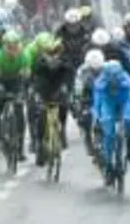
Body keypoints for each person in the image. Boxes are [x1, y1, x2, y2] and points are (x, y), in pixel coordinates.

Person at [24, 33, 74, 166]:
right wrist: (35, 93)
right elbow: (34, 80)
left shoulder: (65, 62)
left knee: (64, 104)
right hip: (44, 90)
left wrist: (66, 88)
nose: (52, 56)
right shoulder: (40, 63)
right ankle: (39, 144)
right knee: (40, 113)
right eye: (49, 53)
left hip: (58, 89)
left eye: (55, 52)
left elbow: (69, 77)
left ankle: (62, 130)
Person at [92, 60, 130, 174]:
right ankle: (108, 163)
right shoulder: (100, 84)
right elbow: (98, 103)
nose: (114, 81)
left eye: (116, 77)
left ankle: (129, 141)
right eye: (111, 78)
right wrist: (97, 117)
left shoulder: (127, 81)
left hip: (123, 101)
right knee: (108, 132)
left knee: (129, 120)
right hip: (109, 103)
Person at [0, 30, 29, 154]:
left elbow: (26, 74)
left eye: (15, 45)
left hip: (16, 81)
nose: (12, 49)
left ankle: (20, 147)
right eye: (9, 46)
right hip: (1, 80)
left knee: (19, 110)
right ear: (4, 46)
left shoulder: (23, 55)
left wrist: (22, 91)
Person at [73, 48, 107, 157]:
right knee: (84, 118)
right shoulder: (82, 71)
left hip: (103, 95)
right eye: (93, 70)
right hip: (88, 96)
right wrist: (78, 101)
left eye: (98, 69)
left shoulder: (107, 68)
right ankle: (87, 139)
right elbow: (78, 88)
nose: (96, 72)